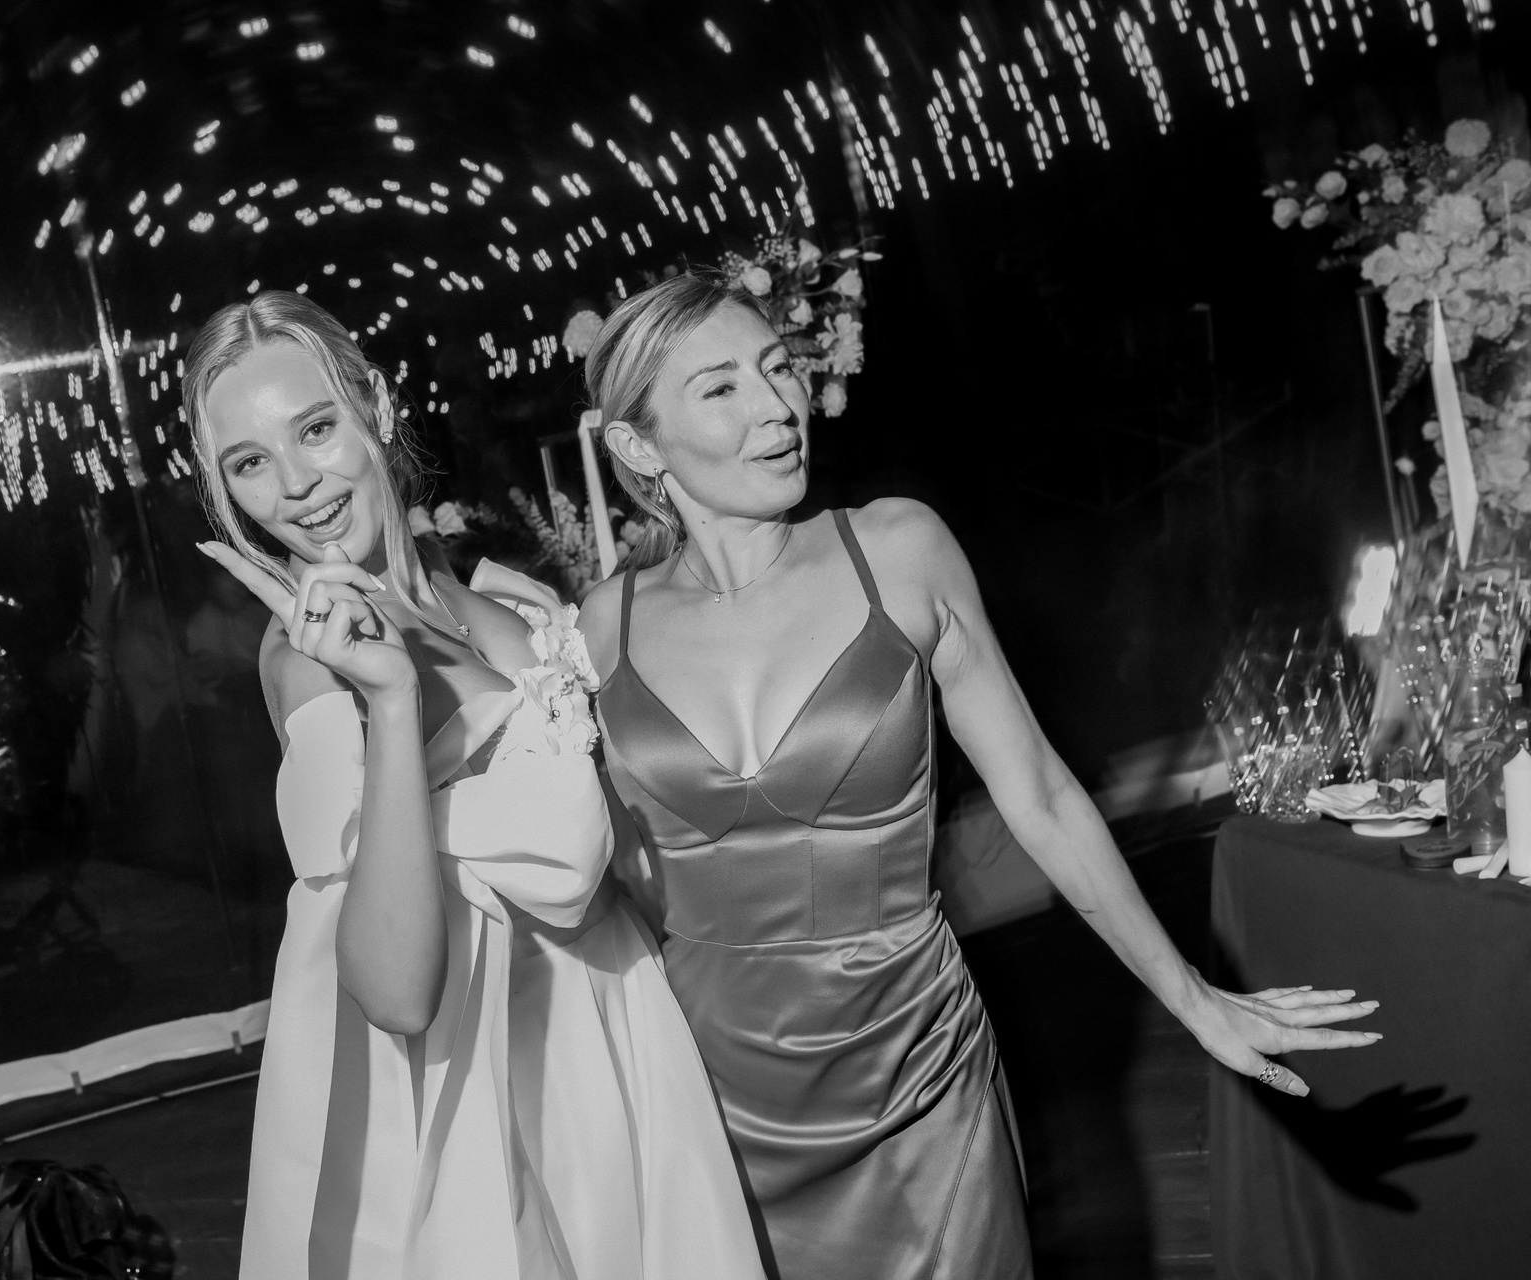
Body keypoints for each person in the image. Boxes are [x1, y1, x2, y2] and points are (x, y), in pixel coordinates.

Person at [575, 272, 1383, 1280]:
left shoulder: (896, 551)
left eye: (778, 369)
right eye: (722, 388)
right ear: (638, 446)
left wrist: (1194, 996)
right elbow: (597, 886)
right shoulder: (600, 631)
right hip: (709, 1097)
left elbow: (1039, 793)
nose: (777, 407)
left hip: (913, 1069)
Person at [183, 291, 765, 1280]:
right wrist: (393, 700)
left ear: (376, 408)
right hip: (505, 1099)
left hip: (622, 1037)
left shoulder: (470, 592)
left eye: (315, 429)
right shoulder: (313, 665)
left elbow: (620, 845)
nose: (295, 485)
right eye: (249, 463)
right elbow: (395, 992)